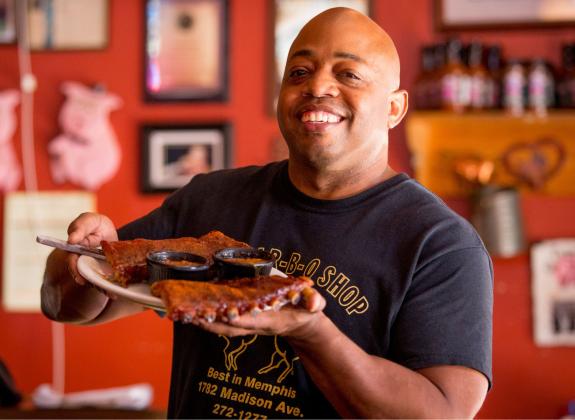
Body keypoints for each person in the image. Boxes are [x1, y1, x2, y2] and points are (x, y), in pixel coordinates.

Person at [41, 7, 493, 419]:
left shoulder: (439, 244)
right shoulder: (210, 201)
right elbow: (68, 306)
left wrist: (313, 332)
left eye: (349, 74)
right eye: (299, 71)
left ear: (394, 108)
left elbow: (442, 413)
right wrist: (79, 259)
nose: (317, 87)